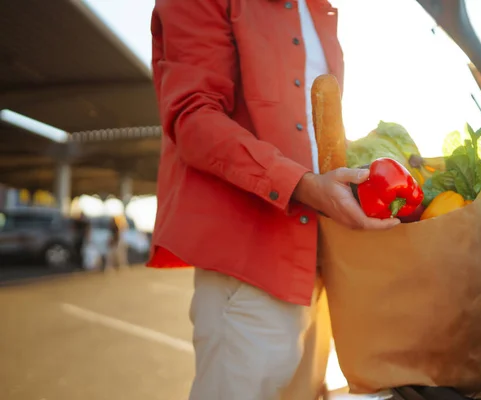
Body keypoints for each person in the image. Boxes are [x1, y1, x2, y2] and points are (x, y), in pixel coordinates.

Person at [148, 1, 399, 399]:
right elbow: (193, 117)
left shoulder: (321, 13)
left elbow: (320, 140)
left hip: (320, 257)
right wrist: (303, 185)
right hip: (250, 260)